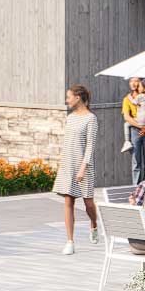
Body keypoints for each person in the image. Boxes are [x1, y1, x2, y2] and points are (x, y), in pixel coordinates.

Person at [56, 84, 103, 255]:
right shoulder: (70, 117)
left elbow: (90, 146)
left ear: (78, 98)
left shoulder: (91, 119)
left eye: (69, 97)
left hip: (84, 166)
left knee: (88, 203)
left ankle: (94, 224)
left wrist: (83, 168)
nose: (66, 100)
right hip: (68, 165)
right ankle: (70, 241)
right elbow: (67, 142)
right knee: (68, 201)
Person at [121, 77, 145, 186]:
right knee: (136, 161)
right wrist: (142, 127)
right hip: (136, 130)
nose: (133, 83)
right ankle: (136, 186)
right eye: (131, 81)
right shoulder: (127, 99)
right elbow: (127, 117)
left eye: (136, 81)